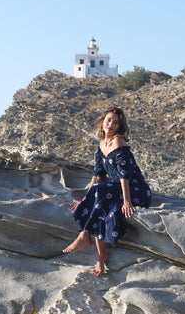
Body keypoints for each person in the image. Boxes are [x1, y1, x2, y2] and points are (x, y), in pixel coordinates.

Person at [63, 107, 152, 276]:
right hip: (115, 189)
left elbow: (125, 175)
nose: (111, 124)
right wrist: (85, 200)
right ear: (102, 122)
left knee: (101, 194)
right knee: (105, 211)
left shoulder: (119, 142)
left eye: (115, 122)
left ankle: (84, 236)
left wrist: (127, 202)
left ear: (119, 126)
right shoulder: (101, 145)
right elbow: (97, 176)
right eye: (108, 120)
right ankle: (100, 256)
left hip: (136, 190)